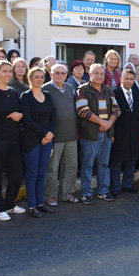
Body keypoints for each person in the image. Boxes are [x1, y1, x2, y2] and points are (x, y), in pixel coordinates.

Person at [0, 60, 26, 221]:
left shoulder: (13, 92)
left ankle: (9, 204)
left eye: (10, 71)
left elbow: (22, 112)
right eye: (4, 71)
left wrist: (20, 116)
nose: (8, 74)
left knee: (16, 175)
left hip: (15, 140)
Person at [76, 64, 121, 204]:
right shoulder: (82, 90)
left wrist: (108, 123)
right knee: (87, 165)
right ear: (90, 74)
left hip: (106, 134)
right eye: (96, 73)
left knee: (104, 164)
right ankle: (86, 193)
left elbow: (117, 110)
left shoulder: (108, 90)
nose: (99, 76)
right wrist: (102, 123)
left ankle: (103, 191)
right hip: (90, 134)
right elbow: (83, 110)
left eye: (102, 74)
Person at [20, 67, 57, 218]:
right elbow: (27, 120)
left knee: (42, 173)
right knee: (32, 174)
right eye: (36, 77)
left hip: (46, 140)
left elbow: (53, 116)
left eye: (42, 77)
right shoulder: (25, 96)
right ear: (30, 78)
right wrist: (44, 133)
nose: (39, 79)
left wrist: (49, 134)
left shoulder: (47, 95)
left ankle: (40, 204)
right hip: (31, 140)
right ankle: (32, 206)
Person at [42, 64, 80, 205]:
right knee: (52, 168)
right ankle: (49, 196)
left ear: (66, 75)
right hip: (54, 136)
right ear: (51, 74)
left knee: (71, 166)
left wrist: (77, 130)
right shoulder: (46, 89)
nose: (59, 75)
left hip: (70, 135)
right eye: (56, 73)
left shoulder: (70, 88)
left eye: (62, 73)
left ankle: (66, 193)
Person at [109, 69, 139, 197]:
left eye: (131, 79)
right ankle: (115, 188)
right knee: (117, 162)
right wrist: (111, 134)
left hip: (134, 132)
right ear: (121, 79)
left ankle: (128, 185)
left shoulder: (136, 93)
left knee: (131, 160)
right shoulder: (115, 93)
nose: (128, 81)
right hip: (119, 132)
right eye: (126, 78)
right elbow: (111, 113)